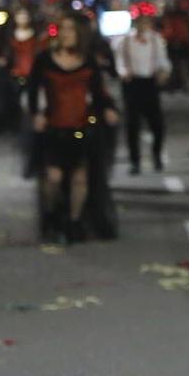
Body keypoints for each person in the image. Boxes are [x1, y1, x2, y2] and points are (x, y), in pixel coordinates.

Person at [27, 16, 119, 243]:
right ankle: (51, 216)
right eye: (63, 29)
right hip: (53, 127)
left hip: (81, 126)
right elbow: (31, 91)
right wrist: (36, 114)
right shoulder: (45, 60)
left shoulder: (88, 61)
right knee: (54, 177)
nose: (67, 33)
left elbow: (99, 93)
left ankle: (75, 220)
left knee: (80, 177)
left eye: (71, 30)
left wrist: (107, 109)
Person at [114, 4, 172, 174]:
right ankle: (135, 161)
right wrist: (124, 72)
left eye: (147, 21)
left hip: (149, 83)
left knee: (158, 124)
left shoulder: (156, 40)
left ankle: (156, 156)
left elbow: (163, 60)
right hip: (132, 84)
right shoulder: (123, 41)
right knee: (132, 125)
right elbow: (120, 63)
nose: (144, 25)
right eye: (140, 21)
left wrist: (165, 71)